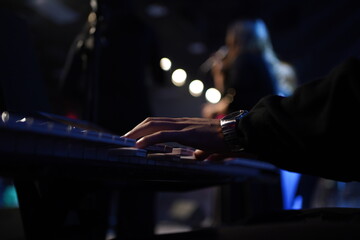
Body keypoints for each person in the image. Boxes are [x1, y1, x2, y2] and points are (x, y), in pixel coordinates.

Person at [124, 56, 360, 239]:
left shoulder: (244, 65)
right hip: (261, 150)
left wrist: (237, 130)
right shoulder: (267, 66)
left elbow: (345, 101)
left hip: (253, 142)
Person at [202, 19, 297, 119]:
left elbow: (236, 101)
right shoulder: (265, 63)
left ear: (235, 39)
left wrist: (214, 108)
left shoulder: (244, 59)